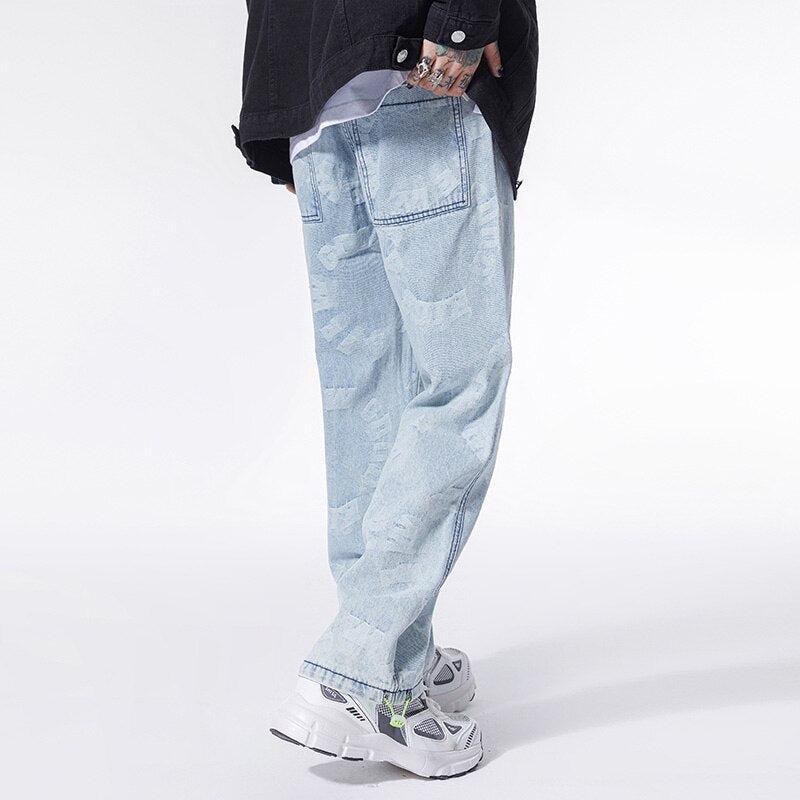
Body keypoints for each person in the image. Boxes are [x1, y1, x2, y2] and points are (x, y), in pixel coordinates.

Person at [234, 0, 538, 779]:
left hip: (316, 90)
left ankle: (392, 651)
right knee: (458, 385)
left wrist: (281, 97)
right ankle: (359, 673)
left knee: (368, 392)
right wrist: (463, 21)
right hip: (420, 69)